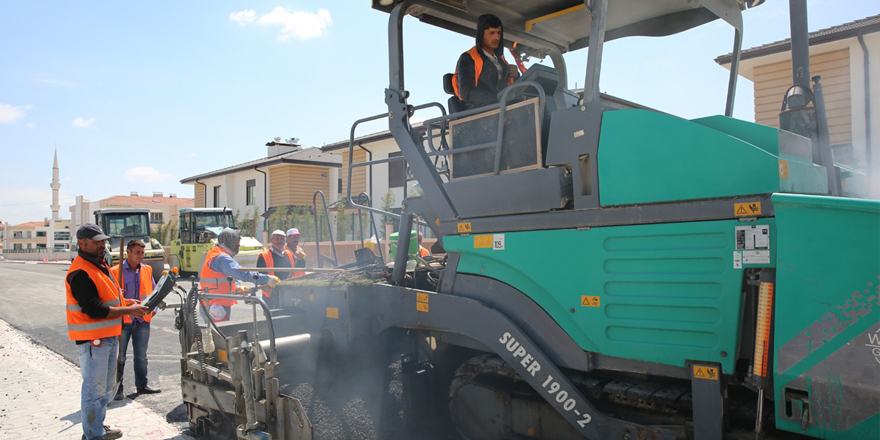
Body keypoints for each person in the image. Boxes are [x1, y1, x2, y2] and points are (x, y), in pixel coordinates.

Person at [66, 224, 150, 440]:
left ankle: (98, 427)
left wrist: (126, 302)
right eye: (96, 241)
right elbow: (94, 308)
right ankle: (92, 435)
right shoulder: (80, 272)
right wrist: (129, 310)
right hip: (94, 340)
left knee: (106, 389)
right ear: (82, 243)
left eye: (103, 240)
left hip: (108, 336)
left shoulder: (99, 265)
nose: (102, 244)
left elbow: (109, 298)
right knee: (94, 391)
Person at [110, 239, 160, 400]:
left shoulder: (147, 270)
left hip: (142, 320)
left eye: (142, 253)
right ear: (128, 252)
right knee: (120, 356)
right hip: (124, 321)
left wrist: (153, 311)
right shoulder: (115, 272)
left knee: (141, 355)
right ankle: (117, 389)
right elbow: (111, 299)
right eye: (137, 252)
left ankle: (142, 385)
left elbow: (154, 293)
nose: (140, 256)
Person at [199, 228, 279, 322]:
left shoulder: (216, 253)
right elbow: (241, 273)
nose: (239, 244)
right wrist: (267, 279)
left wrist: (237, 287)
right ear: (229, 242)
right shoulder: (222, 257)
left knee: (214, 334)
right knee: (218, 335)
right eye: (237, 241)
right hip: (215, 306)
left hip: (213, 303)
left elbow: (224, 276)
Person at [452, 13, 519, 110]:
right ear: (481, 34)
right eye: (491, 33)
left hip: (501, 108)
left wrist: (517, 75)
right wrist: (496, 100)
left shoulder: (501, 61)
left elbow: (510, 87)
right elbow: (466, 91)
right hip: (478, 111)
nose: (496, 37)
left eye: (498, 33)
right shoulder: (469, 58)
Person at [256, 230, 294, 307]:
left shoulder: (289, 254)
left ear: (285, 240)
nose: (279, 241)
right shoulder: (263, 256)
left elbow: (293, 272)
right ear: (271, 240)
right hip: (271, 296)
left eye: (282, 239)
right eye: (277, 239)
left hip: (287, 294)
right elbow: (261, 278)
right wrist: (272, 293)